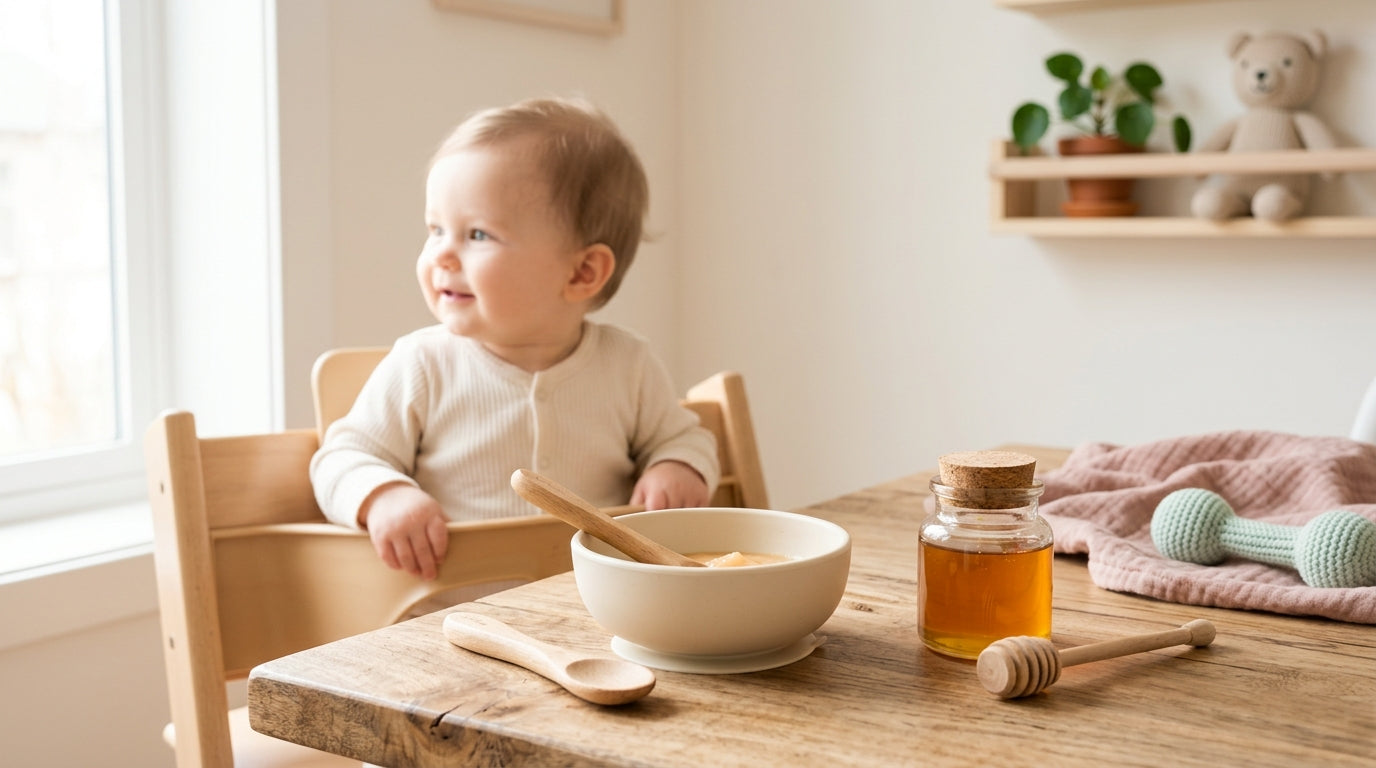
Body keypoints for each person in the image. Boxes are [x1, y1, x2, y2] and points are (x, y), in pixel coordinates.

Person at [310, 97, 719, 581]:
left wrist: (677, 468)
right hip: (450, 614)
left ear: (583, 272)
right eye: (436, 229)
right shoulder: (423, 364)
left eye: (477, 235)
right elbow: (342, 457)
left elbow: (683, 437)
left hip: (593, 607)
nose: (442, 254)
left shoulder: (627, 364)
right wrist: (382, 496)